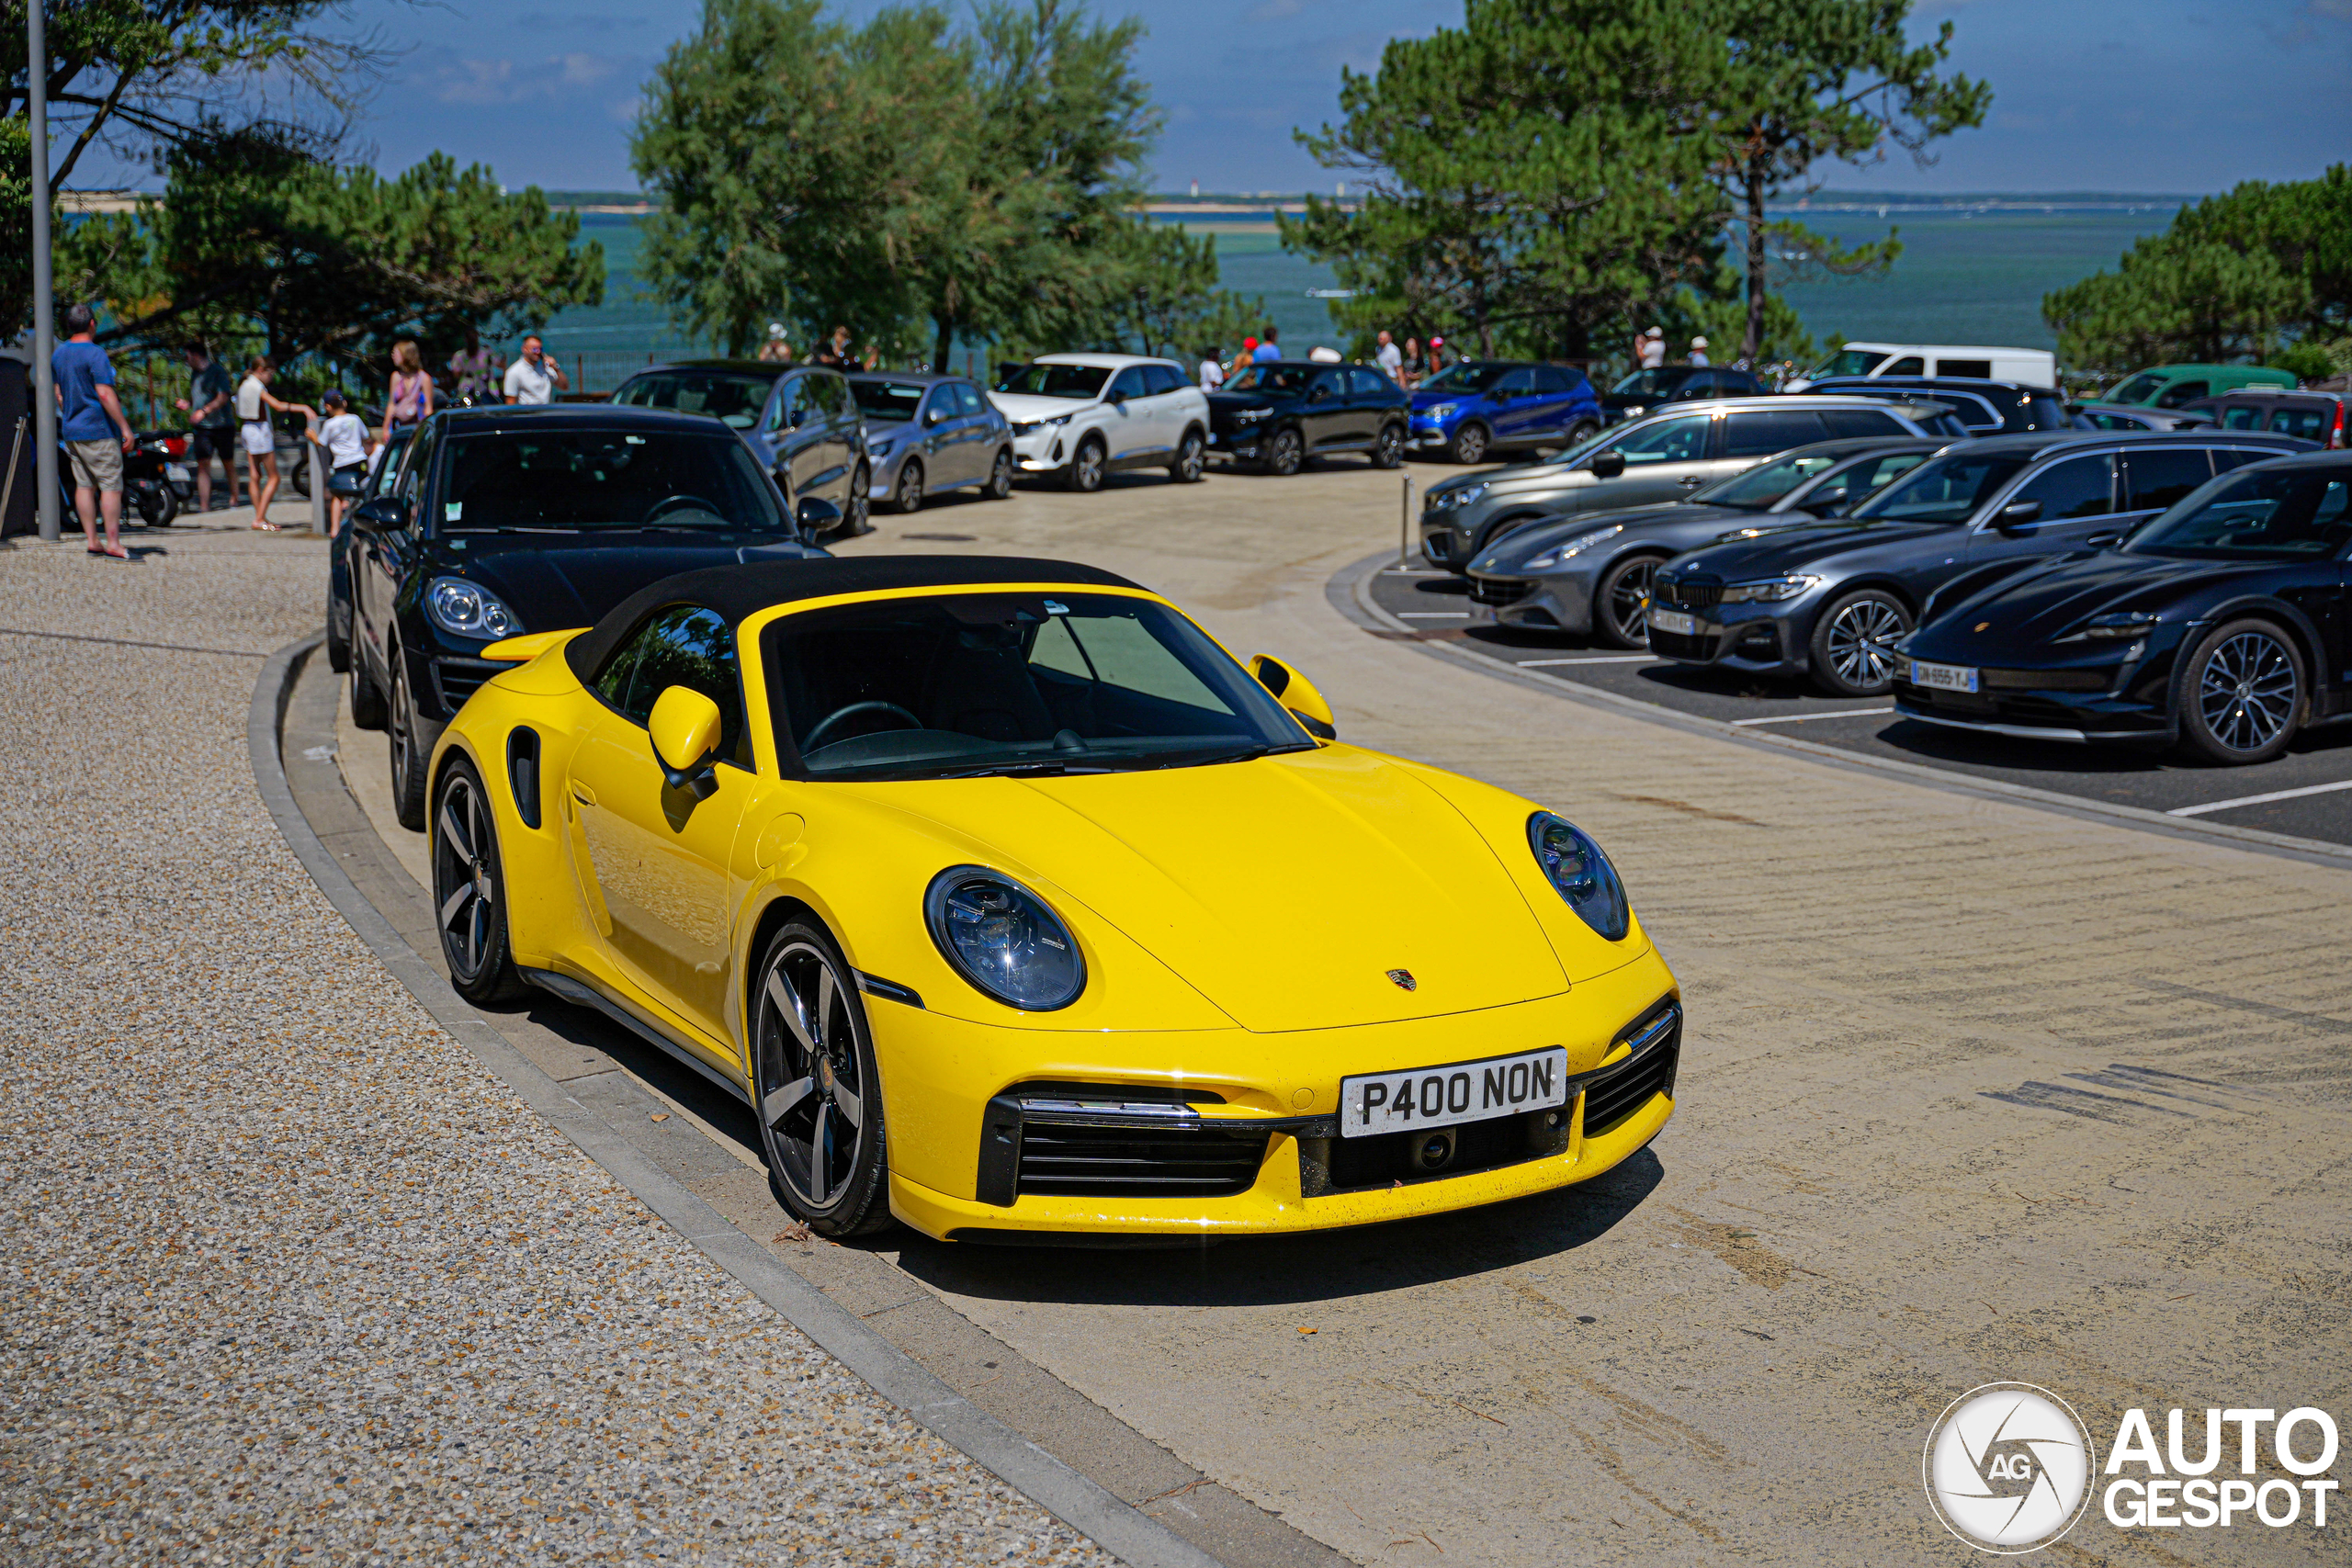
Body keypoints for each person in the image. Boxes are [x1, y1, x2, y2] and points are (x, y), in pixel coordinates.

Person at [51, 303, 136, 559]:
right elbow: (104, 392)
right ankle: (113, 542)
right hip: (98, 429)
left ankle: (92, 541)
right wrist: (125, 428)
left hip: (72, 430)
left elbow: (59, 394)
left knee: (84, 485)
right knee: (111, 485)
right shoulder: (96, 353)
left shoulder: (59, 354)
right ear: (91, 324)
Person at [235, 355, 314, 532]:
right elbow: (277, 405)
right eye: (270, 374)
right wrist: (303, 407)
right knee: (274, 477)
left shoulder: (244, 384)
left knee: (255, 475)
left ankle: (260, 516)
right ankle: (259, 518)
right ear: (262, 371)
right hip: (259, 431)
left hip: (247, 428)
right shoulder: (257, 386)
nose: (271, 378)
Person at [174, 339, 241, 514]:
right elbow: (200, 398)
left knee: (228, 462)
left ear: (196, 355)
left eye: (187, 356)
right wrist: (188, 404)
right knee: (203, 464)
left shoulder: (217, 372)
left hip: (222, 424)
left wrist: (203, 411)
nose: (186, 361)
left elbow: (223, 397)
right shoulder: (195, 375)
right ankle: (205, 505)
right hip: (203, 427)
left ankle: (235, 498)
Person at [305, 389, 374, 536]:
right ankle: (364, 525)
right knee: (362, 491)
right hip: (359, 459)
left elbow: (321, 442)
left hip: (342, 463)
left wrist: (312, 436)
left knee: (338, 495)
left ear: (327, 407)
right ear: (345, 403)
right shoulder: (355, 419)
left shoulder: (330, 424)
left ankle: (334, 529)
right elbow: (366, 436)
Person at [383, 341, 434, 441]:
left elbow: (428, 408)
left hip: (417, 428)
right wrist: (385, 428)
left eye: (396, 352)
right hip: (399, 428)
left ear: (406, 354)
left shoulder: (424, 378)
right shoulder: (396, 377)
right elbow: (391, 404)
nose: (393, 355)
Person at [502, 334, 569, 405]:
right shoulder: (514, 372)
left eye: (540, 349)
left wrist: (556, 368)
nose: (538, 352)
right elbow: (510, 401)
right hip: (528, 413)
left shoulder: (546, 368)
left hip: (546, 412)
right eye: (534, 349)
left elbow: (564, 387)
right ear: (524, 349)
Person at [447, 327, 499, 403]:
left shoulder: (486, 353)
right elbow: (456, 374)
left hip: (485, 390)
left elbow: (498, 365)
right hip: (466, 391)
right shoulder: (460, 355)